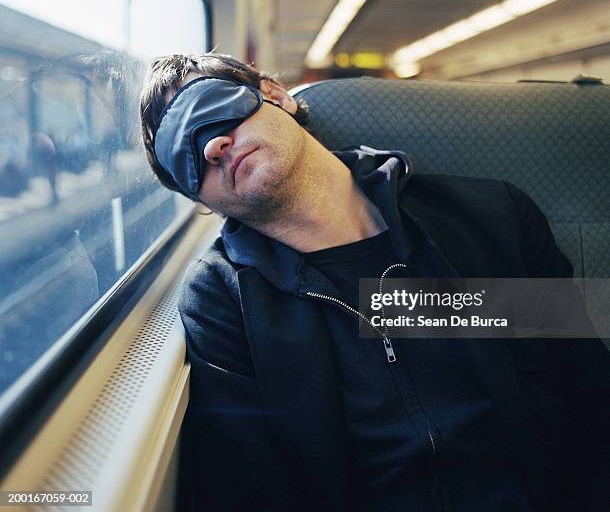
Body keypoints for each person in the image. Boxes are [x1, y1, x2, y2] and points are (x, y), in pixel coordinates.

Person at [139, 53, 609, 512]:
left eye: (209, 111)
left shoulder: (489, 218)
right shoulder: (224, 300)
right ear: (202, 201)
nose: (210, 147)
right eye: (185, 159)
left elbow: (585, 395)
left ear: (276, 97)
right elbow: (254, 487)